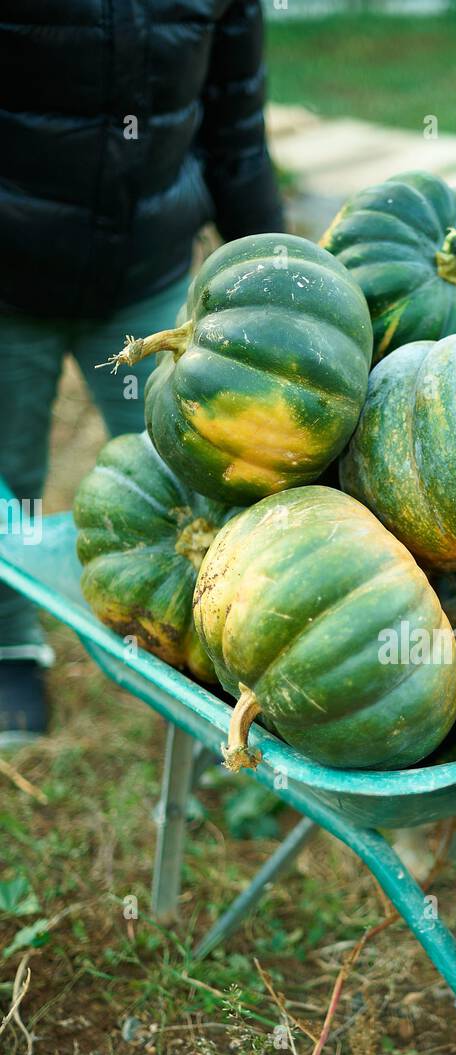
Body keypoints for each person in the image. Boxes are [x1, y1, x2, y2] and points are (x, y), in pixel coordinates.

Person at [0, 0, 284, 746]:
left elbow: (235, 136)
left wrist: (285, 286)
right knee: (9, 480)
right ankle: (9, 646)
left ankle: (212, 649)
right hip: (9, 286)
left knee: (193, 479)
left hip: (148, 280)